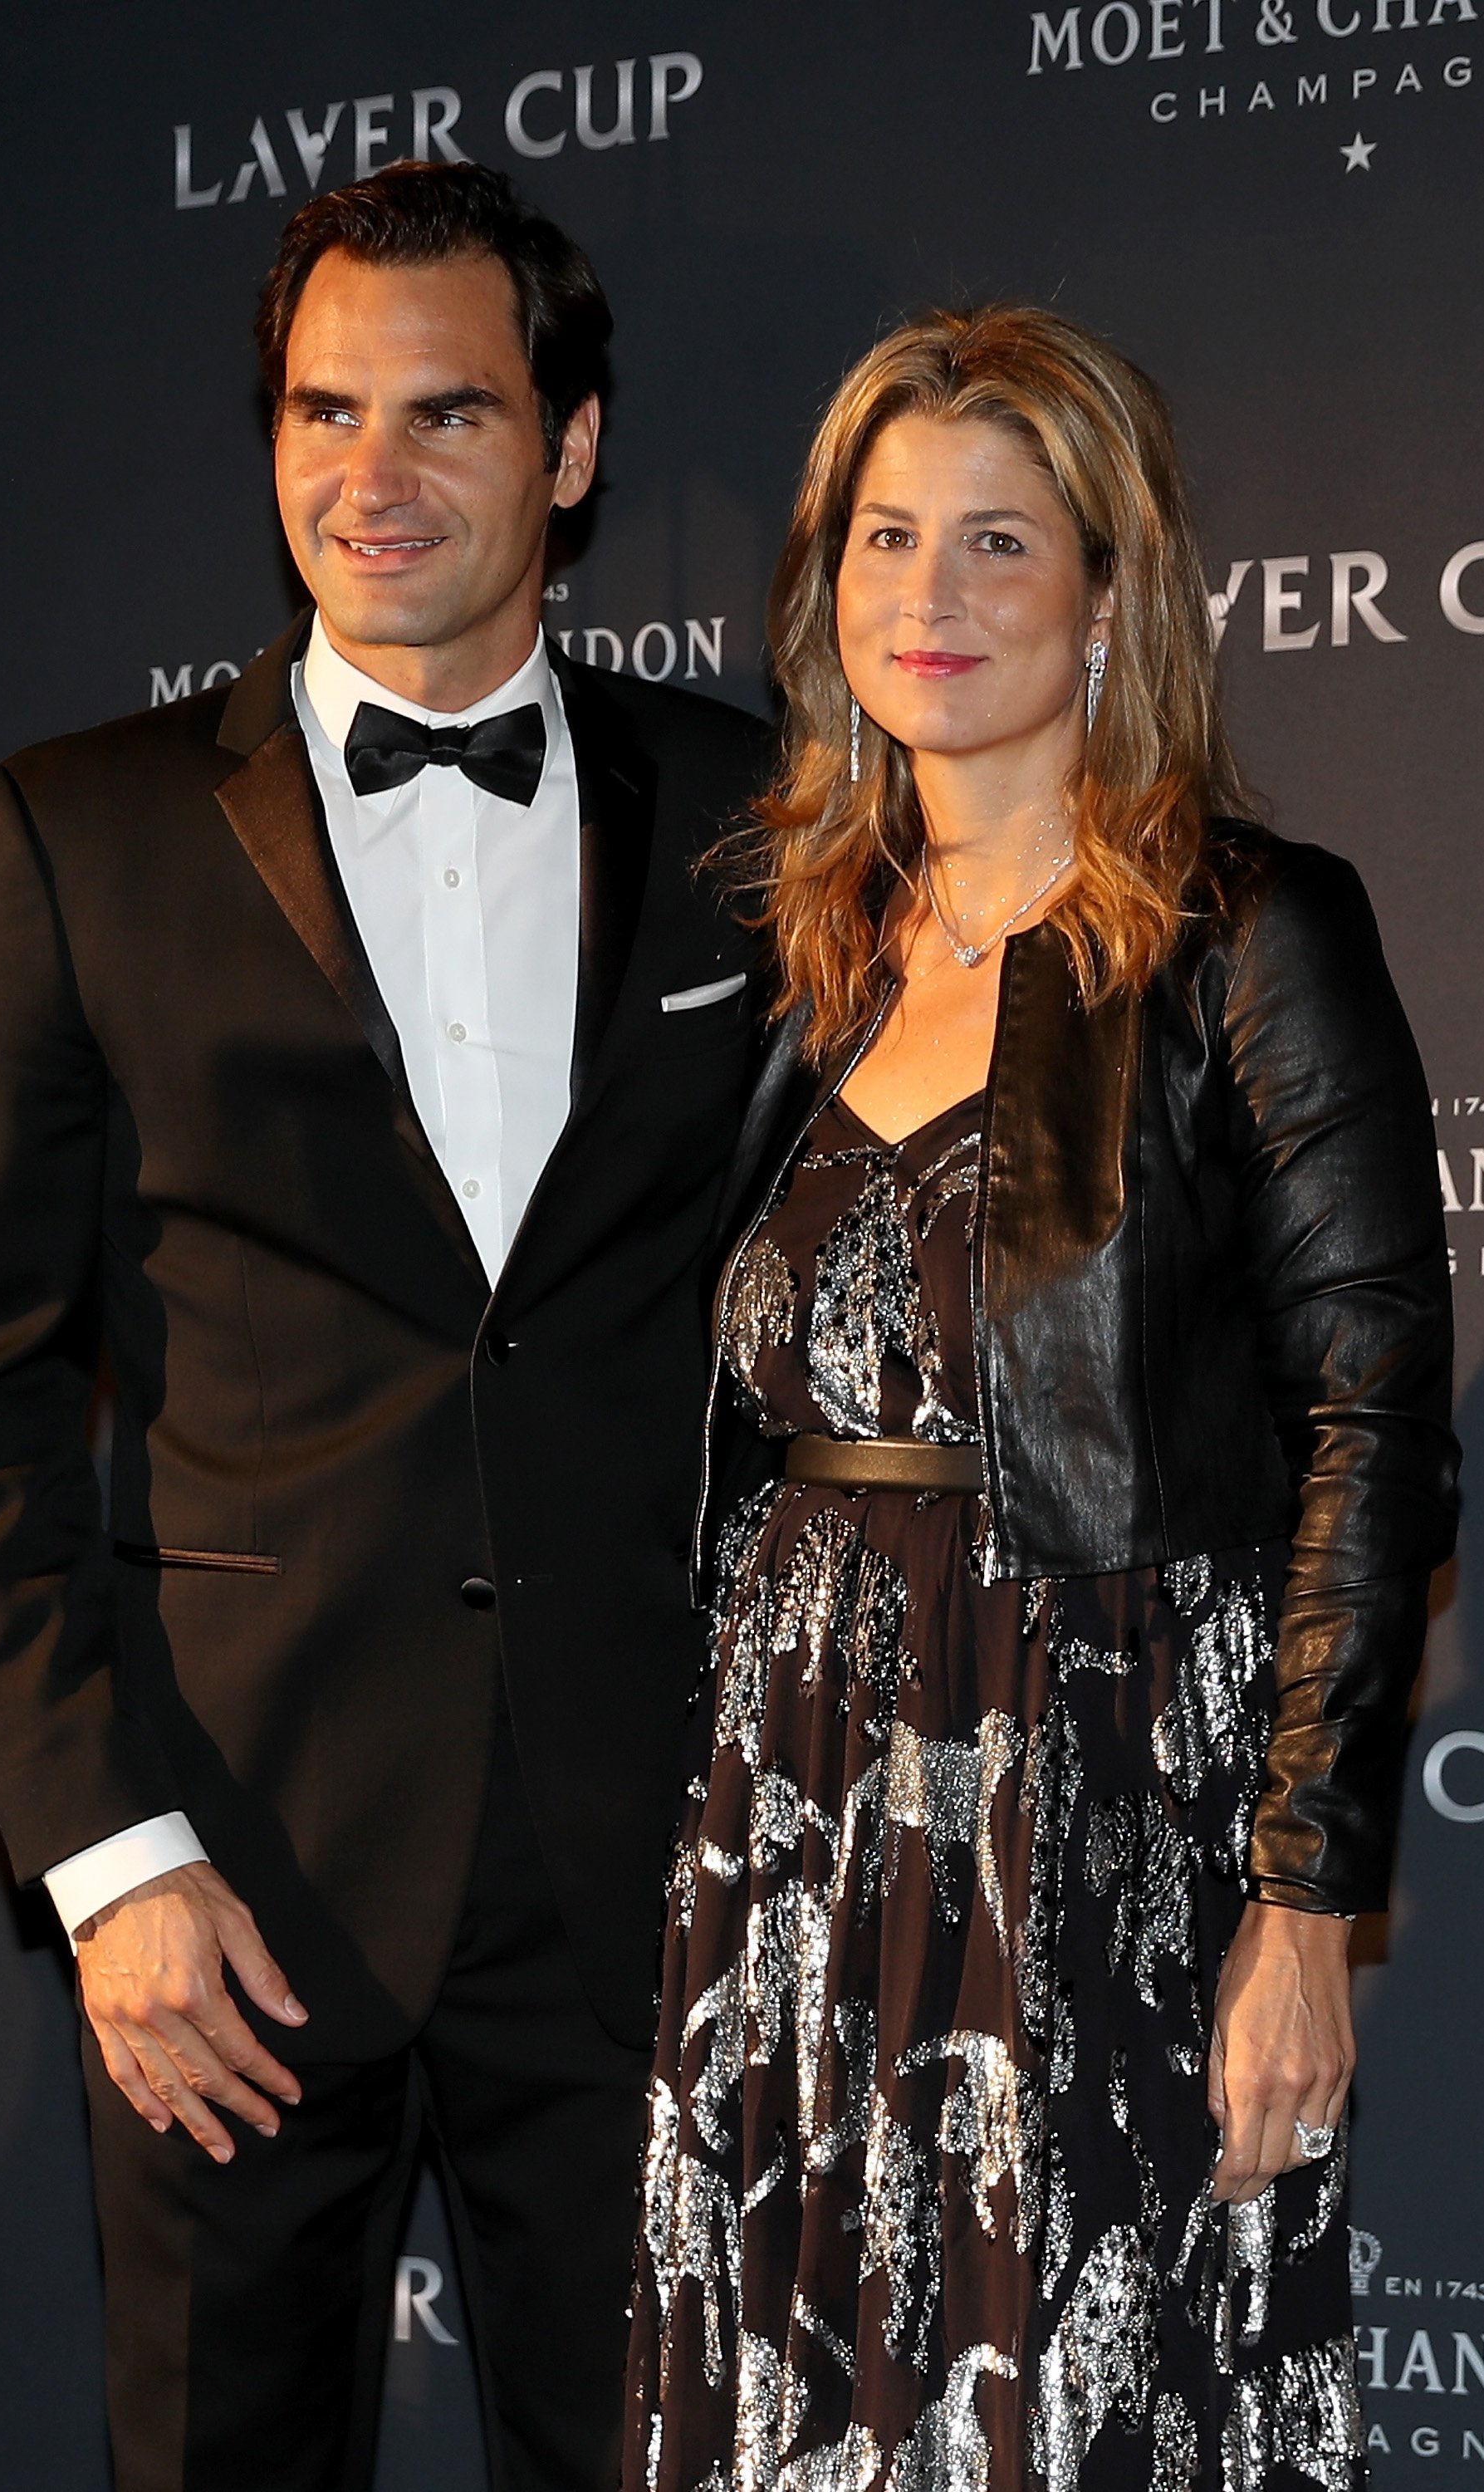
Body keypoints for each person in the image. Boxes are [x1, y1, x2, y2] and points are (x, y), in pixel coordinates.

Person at [0, 161, 770, 2492]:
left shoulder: (758, 817)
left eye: (445, 416)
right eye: (320, 413)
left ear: (570, 451)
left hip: (655, 1887)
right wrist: (107, 1862)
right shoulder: (72, 831)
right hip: (234, 1893)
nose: (367, 481)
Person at [623, 306, 1457, 2491]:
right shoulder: (796, 955)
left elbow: (1373, 1418)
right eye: (886, 536)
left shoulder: (1247, 931)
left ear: (1110, 593)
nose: (929, 596)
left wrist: (1299, 1902)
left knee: (1071, 2417)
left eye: (998, 542)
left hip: (1093, 1805)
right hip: (789, 1811)